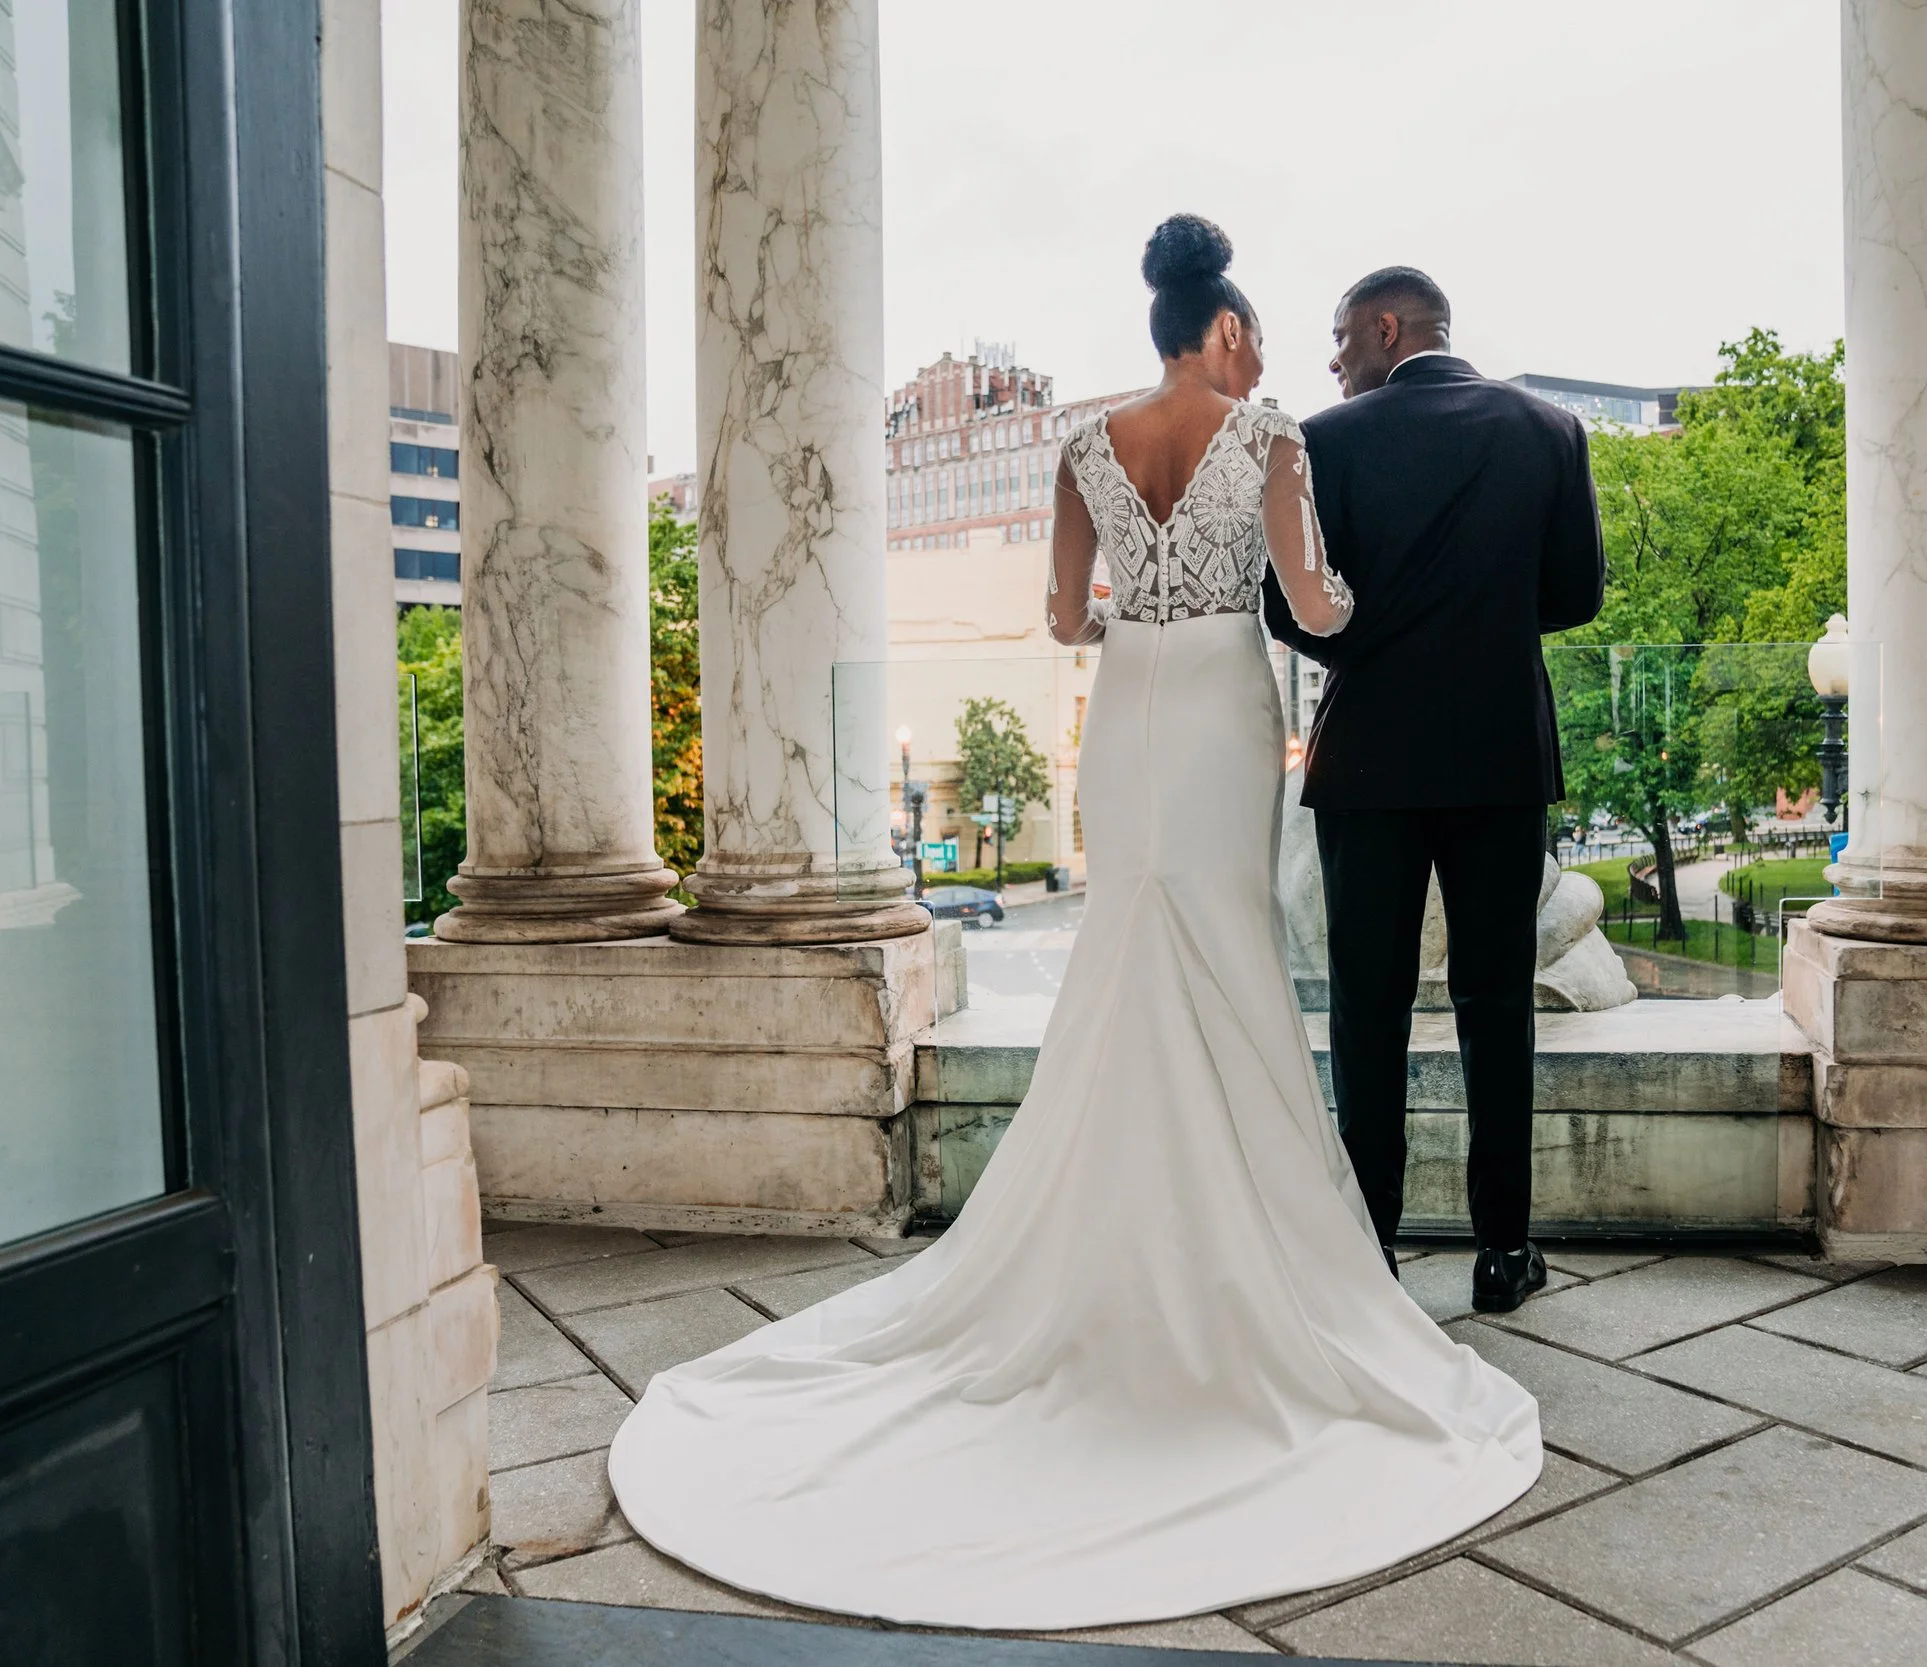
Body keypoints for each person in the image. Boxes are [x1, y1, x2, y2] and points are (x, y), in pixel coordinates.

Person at [605, 215, 1542, 1631]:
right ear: (1223, 330)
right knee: (1226, 952)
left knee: (1133, 949)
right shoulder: (1274, 438)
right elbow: (1314, 602)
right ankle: (1269, 1248)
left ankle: (1108, 1236)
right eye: (1261, 334)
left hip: (1128, 717)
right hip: (1225, 706)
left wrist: (1138, 623)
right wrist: (1359, 603)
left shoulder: (1083, 447)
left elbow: (1060, 617)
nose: (1271, 353)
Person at [1263, 266, 1607, 1314]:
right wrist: (1482, 627)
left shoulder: (1327, 440)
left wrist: (1379, 640)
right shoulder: (1549, 429)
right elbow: (1577, 593)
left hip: (1366, 759)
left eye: (1338, 339)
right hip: (1501, 754)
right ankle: (1504, 1250)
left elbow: (1290, 608)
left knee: (1365, 1011)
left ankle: (1370, 1253)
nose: (1332, 361)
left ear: (1383, 326)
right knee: (1497, 1005)